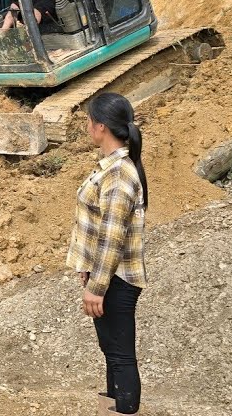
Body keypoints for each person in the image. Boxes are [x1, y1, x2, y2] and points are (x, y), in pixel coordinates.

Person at [67, 93, 148, 415]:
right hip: (108, 277)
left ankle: (124, 410)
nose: (87, 126)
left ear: (100, 126)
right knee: (112, 353)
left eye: (89, 121)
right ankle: (111, 410)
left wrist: (96, 288)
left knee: (120, 356)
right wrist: (88, 270)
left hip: (116, 279)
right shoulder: (112, 168)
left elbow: (112, 238)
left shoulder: (118, 174)